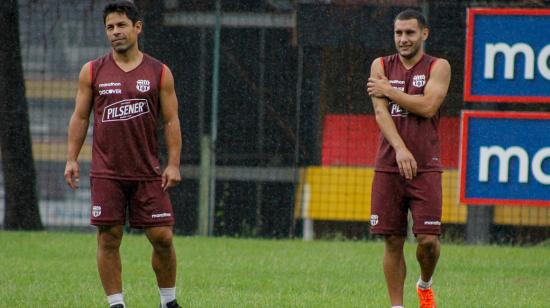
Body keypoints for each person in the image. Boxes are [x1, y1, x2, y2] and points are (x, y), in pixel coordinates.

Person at [64, 1, 182, 307]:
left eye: (121, 25)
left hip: (148, 172)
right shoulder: (92, 71)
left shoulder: (159, 72)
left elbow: (171, 120)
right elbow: (79, 117)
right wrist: (72, 158)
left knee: (163, 239)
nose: (115, 32)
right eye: (110, 27)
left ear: (137, 28)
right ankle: (117, 304)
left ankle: (168, 302)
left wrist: (173, 164)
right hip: (107, 172)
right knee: (109, 238)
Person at [366, 9, 451, 308]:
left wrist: (389, 89)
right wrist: (400, 149)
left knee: (428, 241)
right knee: (392, 240)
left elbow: (428, 106)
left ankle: (424, 284)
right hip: (389, 165)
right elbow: (381, 113)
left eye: (410, 33)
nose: (403, 39)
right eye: (398, 33)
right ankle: (397, 306)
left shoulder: (439, 67)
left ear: (424, 34)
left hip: (426, 166)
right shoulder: (380, 64)